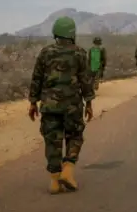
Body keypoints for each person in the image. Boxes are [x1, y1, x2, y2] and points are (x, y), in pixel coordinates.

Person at [28, 16, 94, 194]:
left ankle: (55, 182)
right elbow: (86, 80)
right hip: (72, 105)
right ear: (72, 34)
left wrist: (33, 102)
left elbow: (36, 79)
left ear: (55, 33)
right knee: (75, 136)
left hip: (49, 106)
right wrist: (89, 103)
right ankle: (68, 169)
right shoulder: (80, 53)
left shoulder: (45, 52)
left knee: (52, 140)